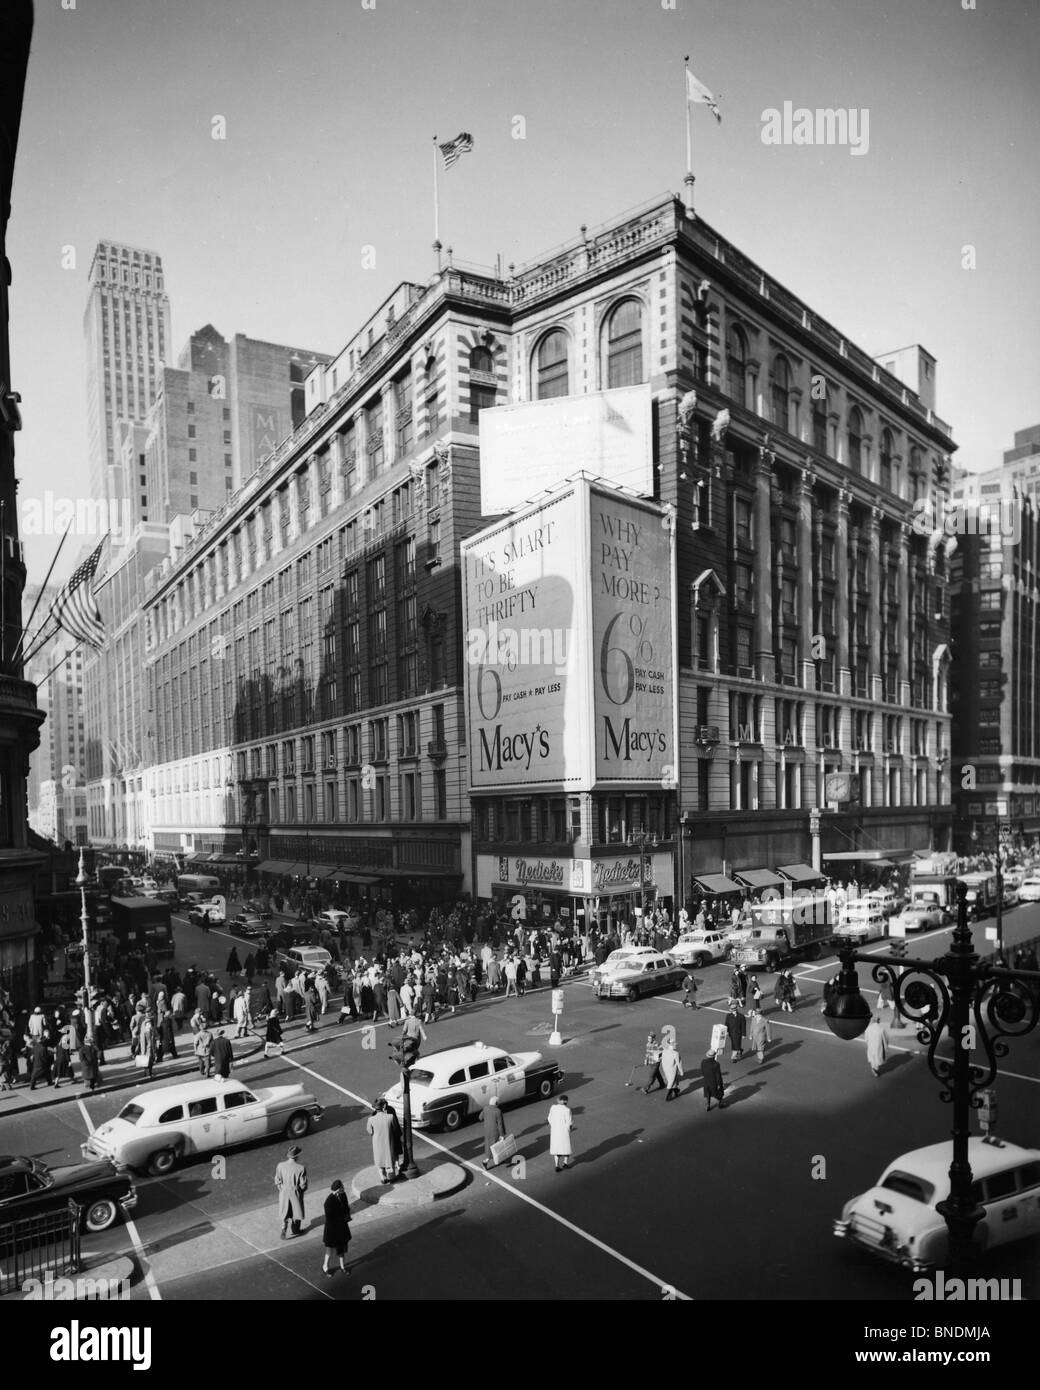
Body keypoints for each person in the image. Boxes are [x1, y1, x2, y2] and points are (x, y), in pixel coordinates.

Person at [275, 1145, 308, 1238]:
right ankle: (295, 1229)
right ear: (297, 1156)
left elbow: (277, 1180)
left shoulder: (280, 1165)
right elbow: (303, 1185)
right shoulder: (301, 1168)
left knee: (284, 1210)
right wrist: (300, 1191)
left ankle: (283, 1228)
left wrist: (282, 1189)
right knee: (296, 1210)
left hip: (284, 1191)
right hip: (295, 1191)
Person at [322, 1179, 352, 1277]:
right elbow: (330, 1218)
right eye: (342, 1187)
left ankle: (342, 1267)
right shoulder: (329, 1202)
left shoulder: (343, 1195)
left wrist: (347, 1216)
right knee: (329, 1249)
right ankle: (325, 1267)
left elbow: (346, 1207)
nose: (343, 1188)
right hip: (332, 1229)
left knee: (341, 1248)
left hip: (341, 1227)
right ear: (338, 1189)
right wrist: (342, 1219)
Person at [367, 1098, 398, 1184]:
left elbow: (370, 1131)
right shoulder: (390, 1117)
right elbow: (395, 1129)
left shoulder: (371, 1119)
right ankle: (391, 1177)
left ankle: (383, 1178)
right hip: (389, 1142)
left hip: (377, 1144)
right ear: (383, 1107)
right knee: (389, 1160)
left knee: (379, 1161)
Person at [547, 1094, 574, 1172]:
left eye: (558, 1099)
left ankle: (556, 1165)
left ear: (560, 1101)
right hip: (564, 1131)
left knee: (556, 1148)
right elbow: (569, 1122)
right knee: (566, 1147)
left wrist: (554, 1126)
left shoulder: (553, 1107)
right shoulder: (567, 1110)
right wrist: (569, 1129)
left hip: (555, 1131)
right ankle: (565, 1163)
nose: (557, 1100)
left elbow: (549, 1118)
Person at [482, 1094, 507, 1169]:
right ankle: (485, 1161)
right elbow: (500, 1124)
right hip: (495, 1132)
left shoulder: (485, 1108)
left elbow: (480, 1117)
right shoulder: (498, 1111)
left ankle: (499, 1159)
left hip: (487, 1131)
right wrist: (502, 1135)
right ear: (496, 1103)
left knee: (489, 1146)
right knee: (496, 1146)